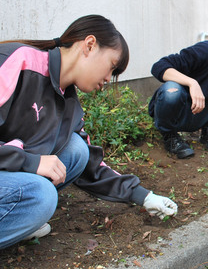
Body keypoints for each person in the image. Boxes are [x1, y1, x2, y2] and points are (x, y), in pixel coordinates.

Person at [0, 15, 177, 249]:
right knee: (41, 196)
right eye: (111, 67)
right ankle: (25, 213)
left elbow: (91, 167)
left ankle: (20, 218)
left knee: (76, 150)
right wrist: (30, 163)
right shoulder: (18, 61)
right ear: (90, 45)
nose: (107, 79)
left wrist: (144, 197)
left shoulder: (69, 105)